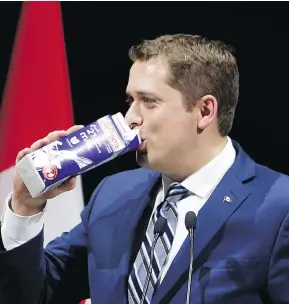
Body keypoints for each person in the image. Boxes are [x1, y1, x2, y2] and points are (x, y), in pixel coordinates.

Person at [1, 33, 289, 304]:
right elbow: (31, 296)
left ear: (204, 111)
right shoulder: (114, 193)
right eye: (130, 100)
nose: (129, 118)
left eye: (148, 102)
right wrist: (25, 206)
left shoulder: (279, 207)